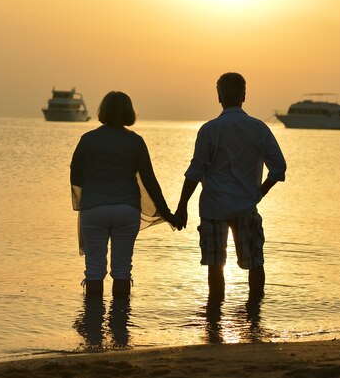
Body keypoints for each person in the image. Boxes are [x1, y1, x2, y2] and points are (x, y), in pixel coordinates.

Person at [175, 72, 286, 299]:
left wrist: (181, 206)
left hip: (213, 208)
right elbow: (279, 168)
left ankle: (214, 323)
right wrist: (260, 192)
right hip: (246, 206)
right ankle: (254, 319)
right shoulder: (259, 129)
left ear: (219, 97)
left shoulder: (209, 130)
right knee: (255, 263)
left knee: (215, 265)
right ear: (244, 96)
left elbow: (195, 172)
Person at [70, 91, 178, 297]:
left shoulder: (88, 139)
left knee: (94, 271)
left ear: (103, 111)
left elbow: (75, 175)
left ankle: (93, 322)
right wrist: (167, 213)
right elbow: (150, 181)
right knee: (122, 269)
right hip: (126, 209)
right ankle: (120, 324)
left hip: (94, 208)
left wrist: (87, 196)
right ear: (128, 113)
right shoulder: (135, 142)